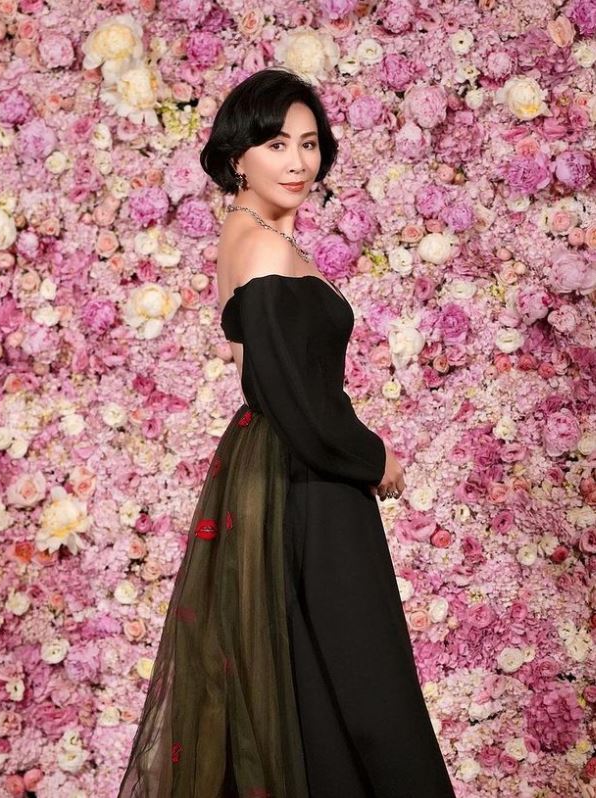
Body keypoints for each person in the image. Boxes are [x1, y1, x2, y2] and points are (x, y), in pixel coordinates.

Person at [117, 67, 457, 798]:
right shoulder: (265, 248)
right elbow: (285, 392)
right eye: (276, 145)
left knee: (309, 678)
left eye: (309, 144)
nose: (298, 162)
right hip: (304, 475)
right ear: (238, 156)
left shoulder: (251, 235)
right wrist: (374, 457)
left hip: (277, 470)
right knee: (365, 680)